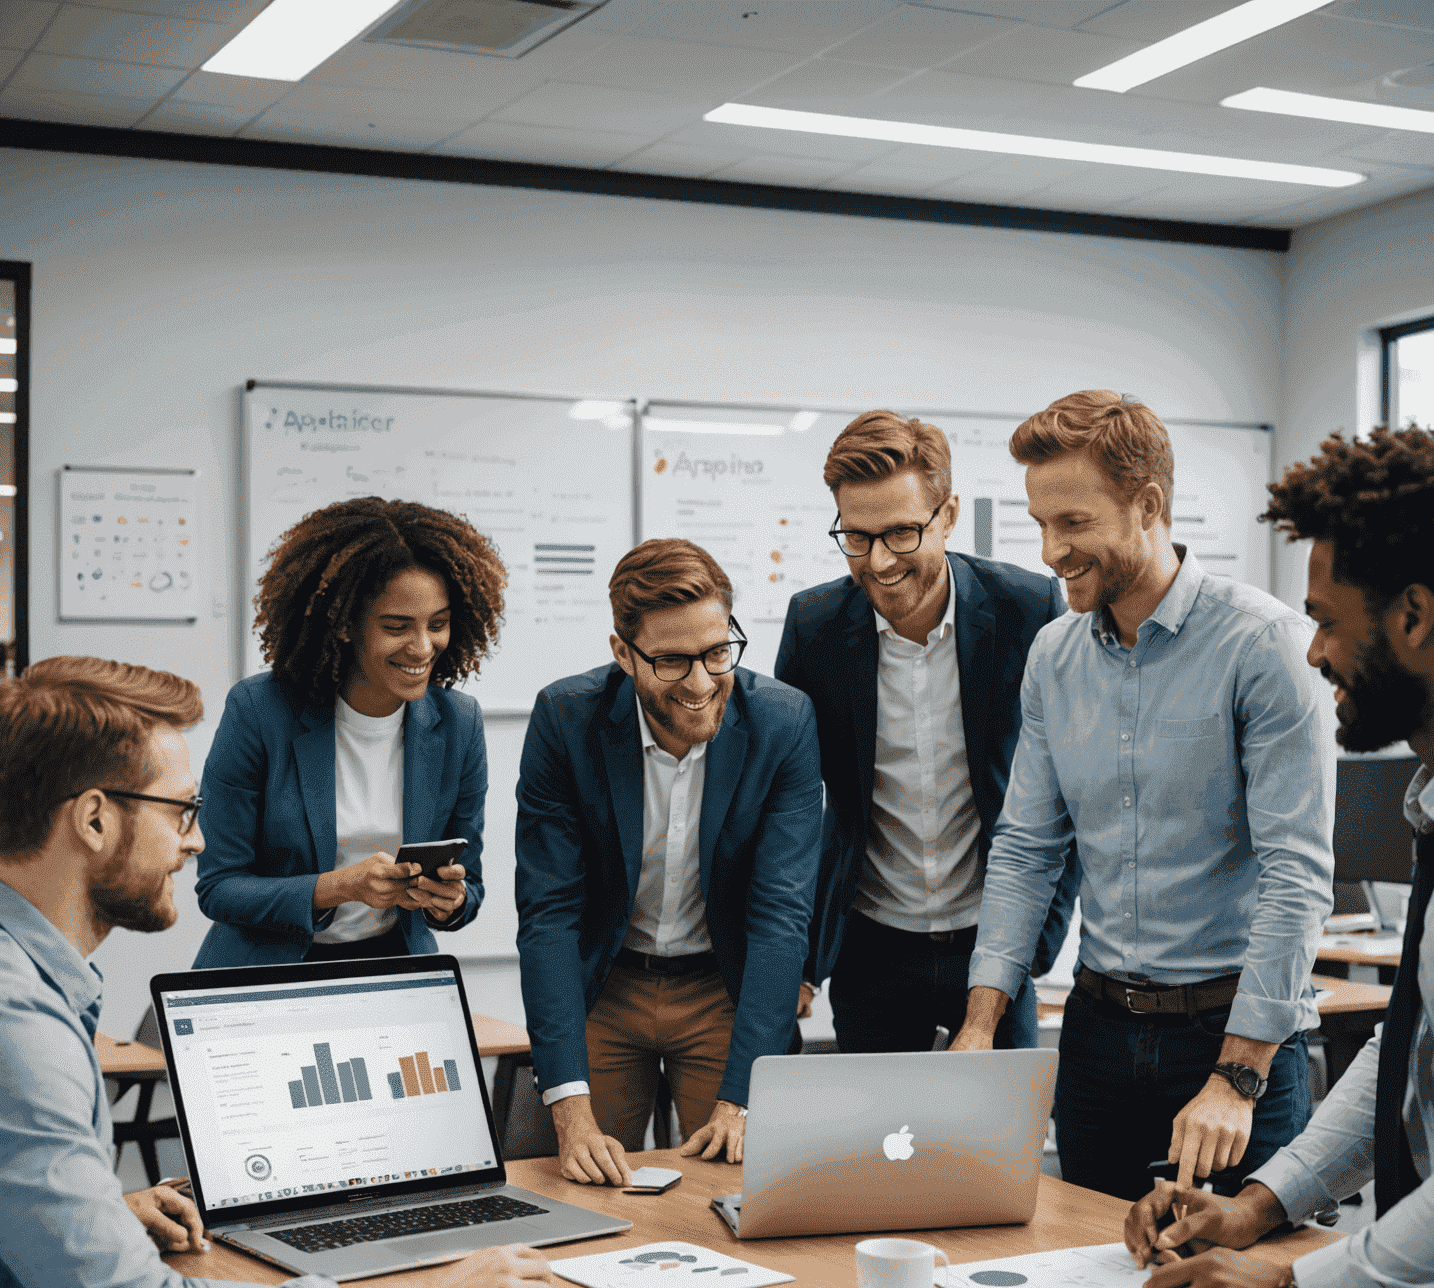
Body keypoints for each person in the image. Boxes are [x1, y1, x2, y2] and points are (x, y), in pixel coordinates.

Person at [0, 657, 553, 1288]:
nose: (197, 842)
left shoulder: (7, 971)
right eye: (182, 812)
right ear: (93, 818)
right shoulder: (4, 1023)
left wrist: (102, 1210)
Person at [1125, 422, 1434, 1288]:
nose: (1317, 653)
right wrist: (1261, 1206)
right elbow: (1412, 1039)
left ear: (1415, 617)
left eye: (1331, 621)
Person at [960, 390, 1335, 1200]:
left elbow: (1294, 877)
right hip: (1097, 1039)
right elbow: (1027, 849)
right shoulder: (1053, 656)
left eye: (1073, 523)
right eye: (1041, 524)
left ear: (1148, 506)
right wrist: (979, 1026)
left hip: (1232, 1039)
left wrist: (1237, 1077)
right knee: (1081, 1277)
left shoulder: (1264, 648)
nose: (1052, 550)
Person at [516, 539, 822, 1185]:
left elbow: (780, 916)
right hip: (609, 983)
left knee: (741, 1182)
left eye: (717, 652)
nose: (703, 681)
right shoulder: (565, 720)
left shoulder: (783, 723)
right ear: (623, 653)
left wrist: (742, 1099)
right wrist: (569, 1110)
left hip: (721, 985)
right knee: (586, 1183)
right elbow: (549, 915)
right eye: (674, 661)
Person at [774, 410, 1076, 1053]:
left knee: (994, 1146)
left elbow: (1073, 788)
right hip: (870, 943)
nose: (878, 561)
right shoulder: (815, 626)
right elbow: (787, 804)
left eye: (901, 533)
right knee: (881, 1148)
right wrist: (793, 956)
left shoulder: (1029, 610)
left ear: (948, 515)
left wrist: (1040, 937)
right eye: (855, 537)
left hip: (994, 943)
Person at [195, 497, 505, 967]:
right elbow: (219, 888)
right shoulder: (260, 711)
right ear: (343, 624)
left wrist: (451, 902)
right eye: (396, 627)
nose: (423, 647)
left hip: (390, 970)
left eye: (438, 624)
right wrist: (338, 887)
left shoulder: (459, 724)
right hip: (266, 976)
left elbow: (471, 886)